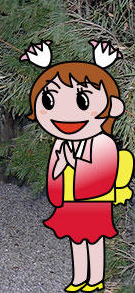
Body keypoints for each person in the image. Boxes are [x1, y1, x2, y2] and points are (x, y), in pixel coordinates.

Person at [23, 41, 132, 292]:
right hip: (71, 201)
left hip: (93, 201)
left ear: (112, 107)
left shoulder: (103, 142)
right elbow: (54, 173)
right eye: (49, 101)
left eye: (82, 102)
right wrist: (59, 193)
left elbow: (104, 172)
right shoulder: (61, 145)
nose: (65, 114)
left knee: (94, 241)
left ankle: (95, 279)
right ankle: (80, 278)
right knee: (76, 240)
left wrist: (80, 178)